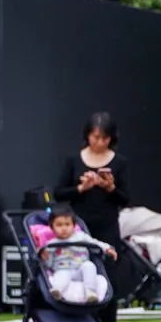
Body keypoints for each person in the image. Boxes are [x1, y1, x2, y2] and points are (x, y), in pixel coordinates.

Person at [53, 111, 135, 301]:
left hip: (107, 225)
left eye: (105, 138)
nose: (100, 142)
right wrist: (81, 188)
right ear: (88, 135)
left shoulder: (119, 162)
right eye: (96, 137)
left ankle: (108, 315)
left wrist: (110, 187)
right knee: (78, 268)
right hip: (79, 225)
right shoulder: (74, 160)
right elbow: (59, 193)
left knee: (109, 271)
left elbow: (125, 199)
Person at [33, 205, 113, 305]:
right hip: (62, 268)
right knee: (61, 275)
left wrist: (106, 248)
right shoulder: (51, 244)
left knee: (89, 266)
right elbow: (49, 264)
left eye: (67, 224)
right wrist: (45, 257)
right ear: (52, 228)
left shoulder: (81, 236)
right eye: (59, 225)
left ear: (74, 226)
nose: (64, 228)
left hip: (80, 268)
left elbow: (94, 243)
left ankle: (90, 292)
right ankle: (58, 290)